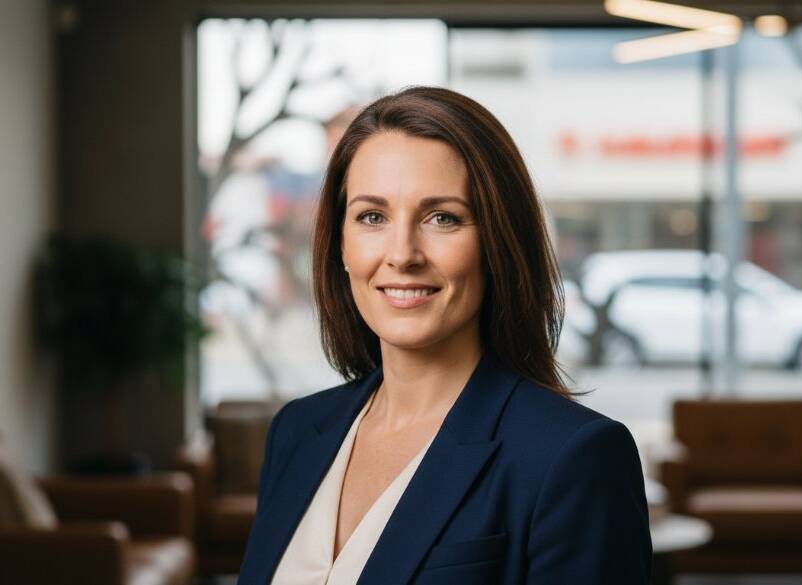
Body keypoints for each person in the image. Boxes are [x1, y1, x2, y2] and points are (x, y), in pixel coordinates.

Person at [236, 86, 652, 585]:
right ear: (340, 245)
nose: (403, 254)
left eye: (443, 218)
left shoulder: (574, 457)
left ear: (497, 242)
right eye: (373, 216)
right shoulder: (297, 431)